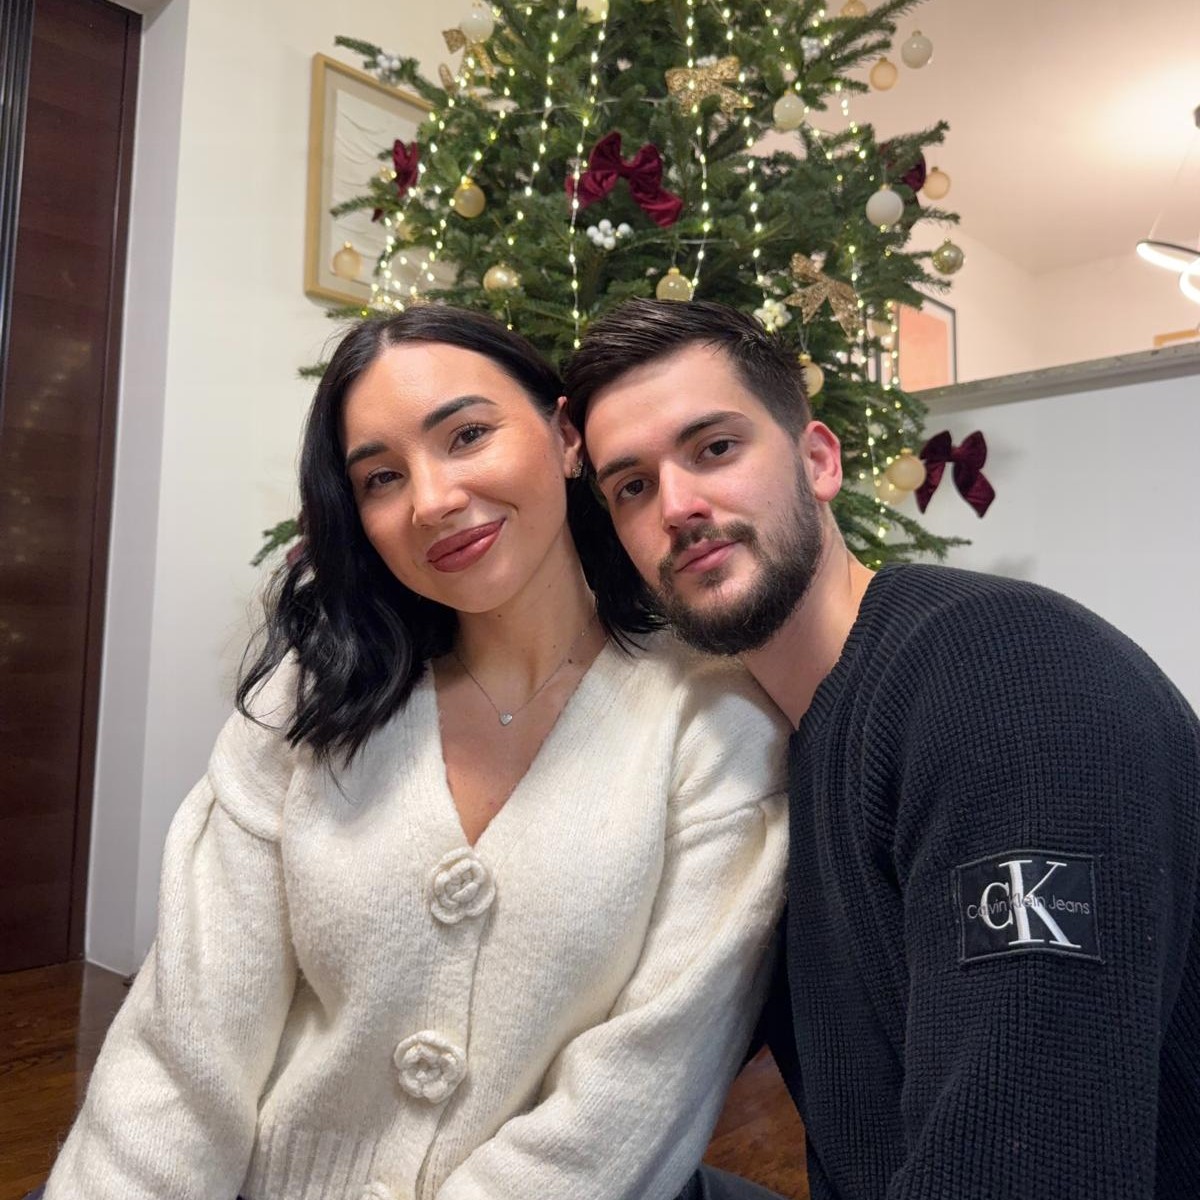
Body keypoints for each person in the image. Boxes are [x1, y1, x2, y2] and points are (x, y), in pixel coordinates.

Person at [39, 307, 789, 1200]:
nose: (431, 500)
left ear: (566, 437)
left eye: (467, 435)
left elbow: (633, 1106)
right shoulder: (305, 707)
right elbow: (180, 1060)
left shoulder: (712, 723)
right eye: (382, 478)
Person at [564, 298, 1200, 1200]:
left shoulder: (1005, 680)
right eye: (632, 486)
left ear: (818, 461)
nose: (678, 506)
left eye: (715, 448)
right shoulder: (759, 752)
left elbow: (1028, 1170)